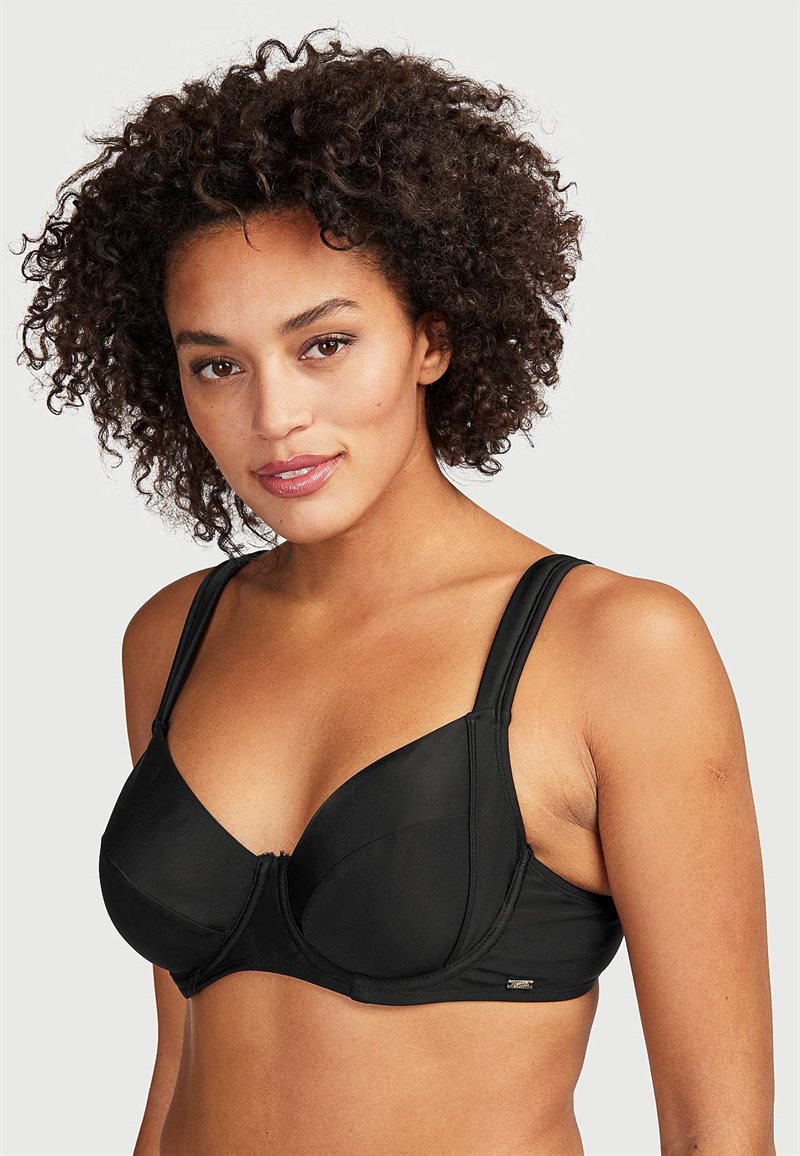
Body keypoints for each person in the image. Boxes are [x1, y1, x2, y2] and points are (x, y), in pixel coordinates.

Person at [16, 28, 775, 1156]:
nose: (275, 417)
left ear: (431, 337)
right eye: (217, 364)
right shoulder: (174, 634)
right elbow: (178, 1058)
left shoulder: (616, 646)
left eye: (323, 345)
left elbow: (718, 1132)